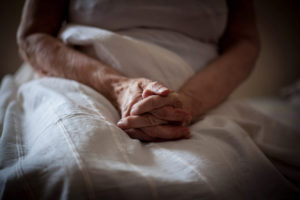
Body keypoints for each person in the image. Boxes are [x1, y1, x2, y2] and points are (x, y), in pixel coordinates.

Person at [17, 0, 260, 142]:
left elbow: (244, 42)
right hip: (83, 84)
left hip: (205, 97)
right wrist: (118, 87)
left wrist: (189, 103)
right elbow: (32, 36)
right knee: (75, 155)